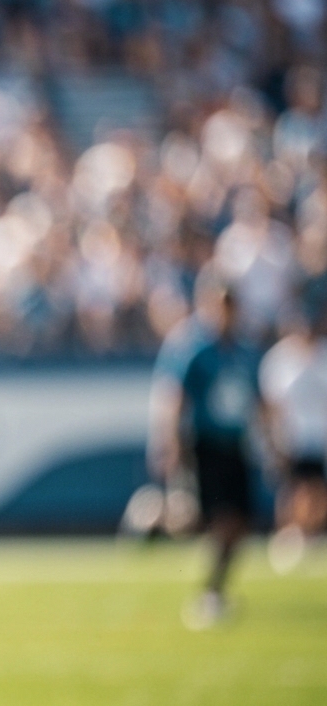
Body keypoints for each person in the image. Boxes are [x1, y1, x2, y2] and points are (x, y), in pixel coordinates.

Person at [149, 269, 274, 628]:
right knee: (209, 519)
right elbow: (173, 396)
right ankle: (155, 517)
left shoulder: (245, 349)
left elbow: (258, 399)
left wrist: (272, 440)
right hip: (203, 443)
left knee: (239, 522)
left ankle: (213, 590)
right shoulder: (192, 345)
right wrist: (169, 441)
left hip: (236, 442)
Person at [258, 309, 327, 572]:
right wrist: (274, 437)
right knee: (292, 489)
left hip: (318, 436)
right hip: (292, 435)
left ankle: (312, 535)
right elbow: (271, 404)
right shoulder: (280, 360)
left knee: (317, 488)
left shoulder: (323, 356)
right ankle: (289, 534)